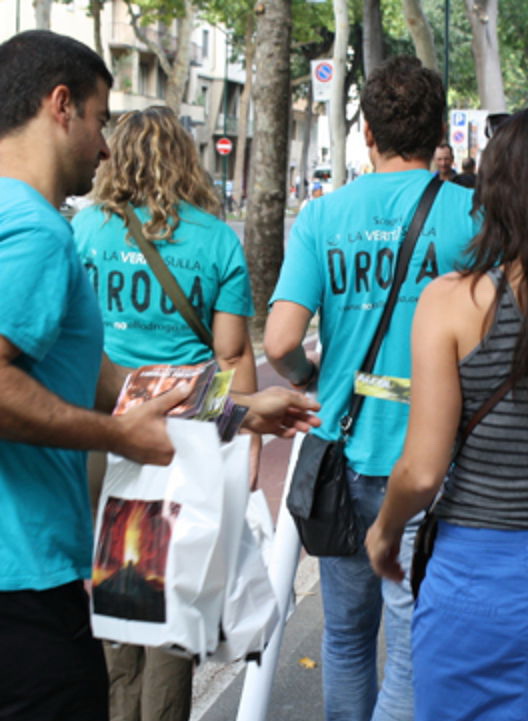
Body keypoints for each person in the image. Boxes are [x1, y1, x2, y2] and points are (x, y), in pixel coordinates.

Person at [0, 30, 320, 721]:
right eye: (97, 119)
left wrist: (235, 413)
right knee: (160, 622)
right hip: (30, 572)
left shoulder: (62, 228)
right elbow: (221, 357)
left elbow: (106, 378)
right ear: (61, 106)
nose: (104, 146)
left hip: (61, 524)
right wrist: (123, 435)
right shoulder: (39, 231)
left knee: (117, 633)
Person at [366, 105, 528, 721]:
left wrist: (386, 532)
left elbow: (420, 472)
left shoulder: (453, 301)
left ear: (495, 194)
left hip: (476, 583)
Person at [264, 55, 479, 721]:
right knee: (415, 644)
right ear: (439, 131)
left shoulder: (324, 217)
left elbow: (277, 342)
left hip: (343, 447)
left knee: (346, 636)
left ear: (367, 134)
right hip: (434, 460)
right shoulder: (473, 213)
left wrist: (309, 387)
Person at [72, 105, 259, 721]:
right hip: (182, 443)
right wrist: (246, 447)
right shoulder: (215, 238)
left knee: (112, 609)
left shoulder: (82, 232)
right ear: (185, 157)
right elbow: (230, 356)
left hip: (101, 436)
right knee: (174, 611)